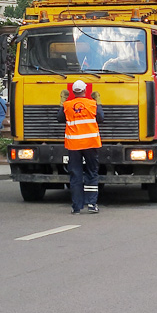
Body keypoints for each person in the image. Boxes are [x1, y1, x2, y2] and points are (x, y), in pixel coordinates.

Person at [56, 79, 103, 214]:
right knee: (91, 173)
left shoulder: (67, 105)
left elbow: (60, 118)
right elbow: (100, 117)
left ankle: (76, 207)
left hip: (74, 145)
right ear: (85, 91)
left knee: (75, 175)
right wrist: (98, 103)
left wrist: (62, 103)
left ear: (72, 92)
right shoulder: (92, 104)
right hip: (90, 144)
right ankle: (92, 204)